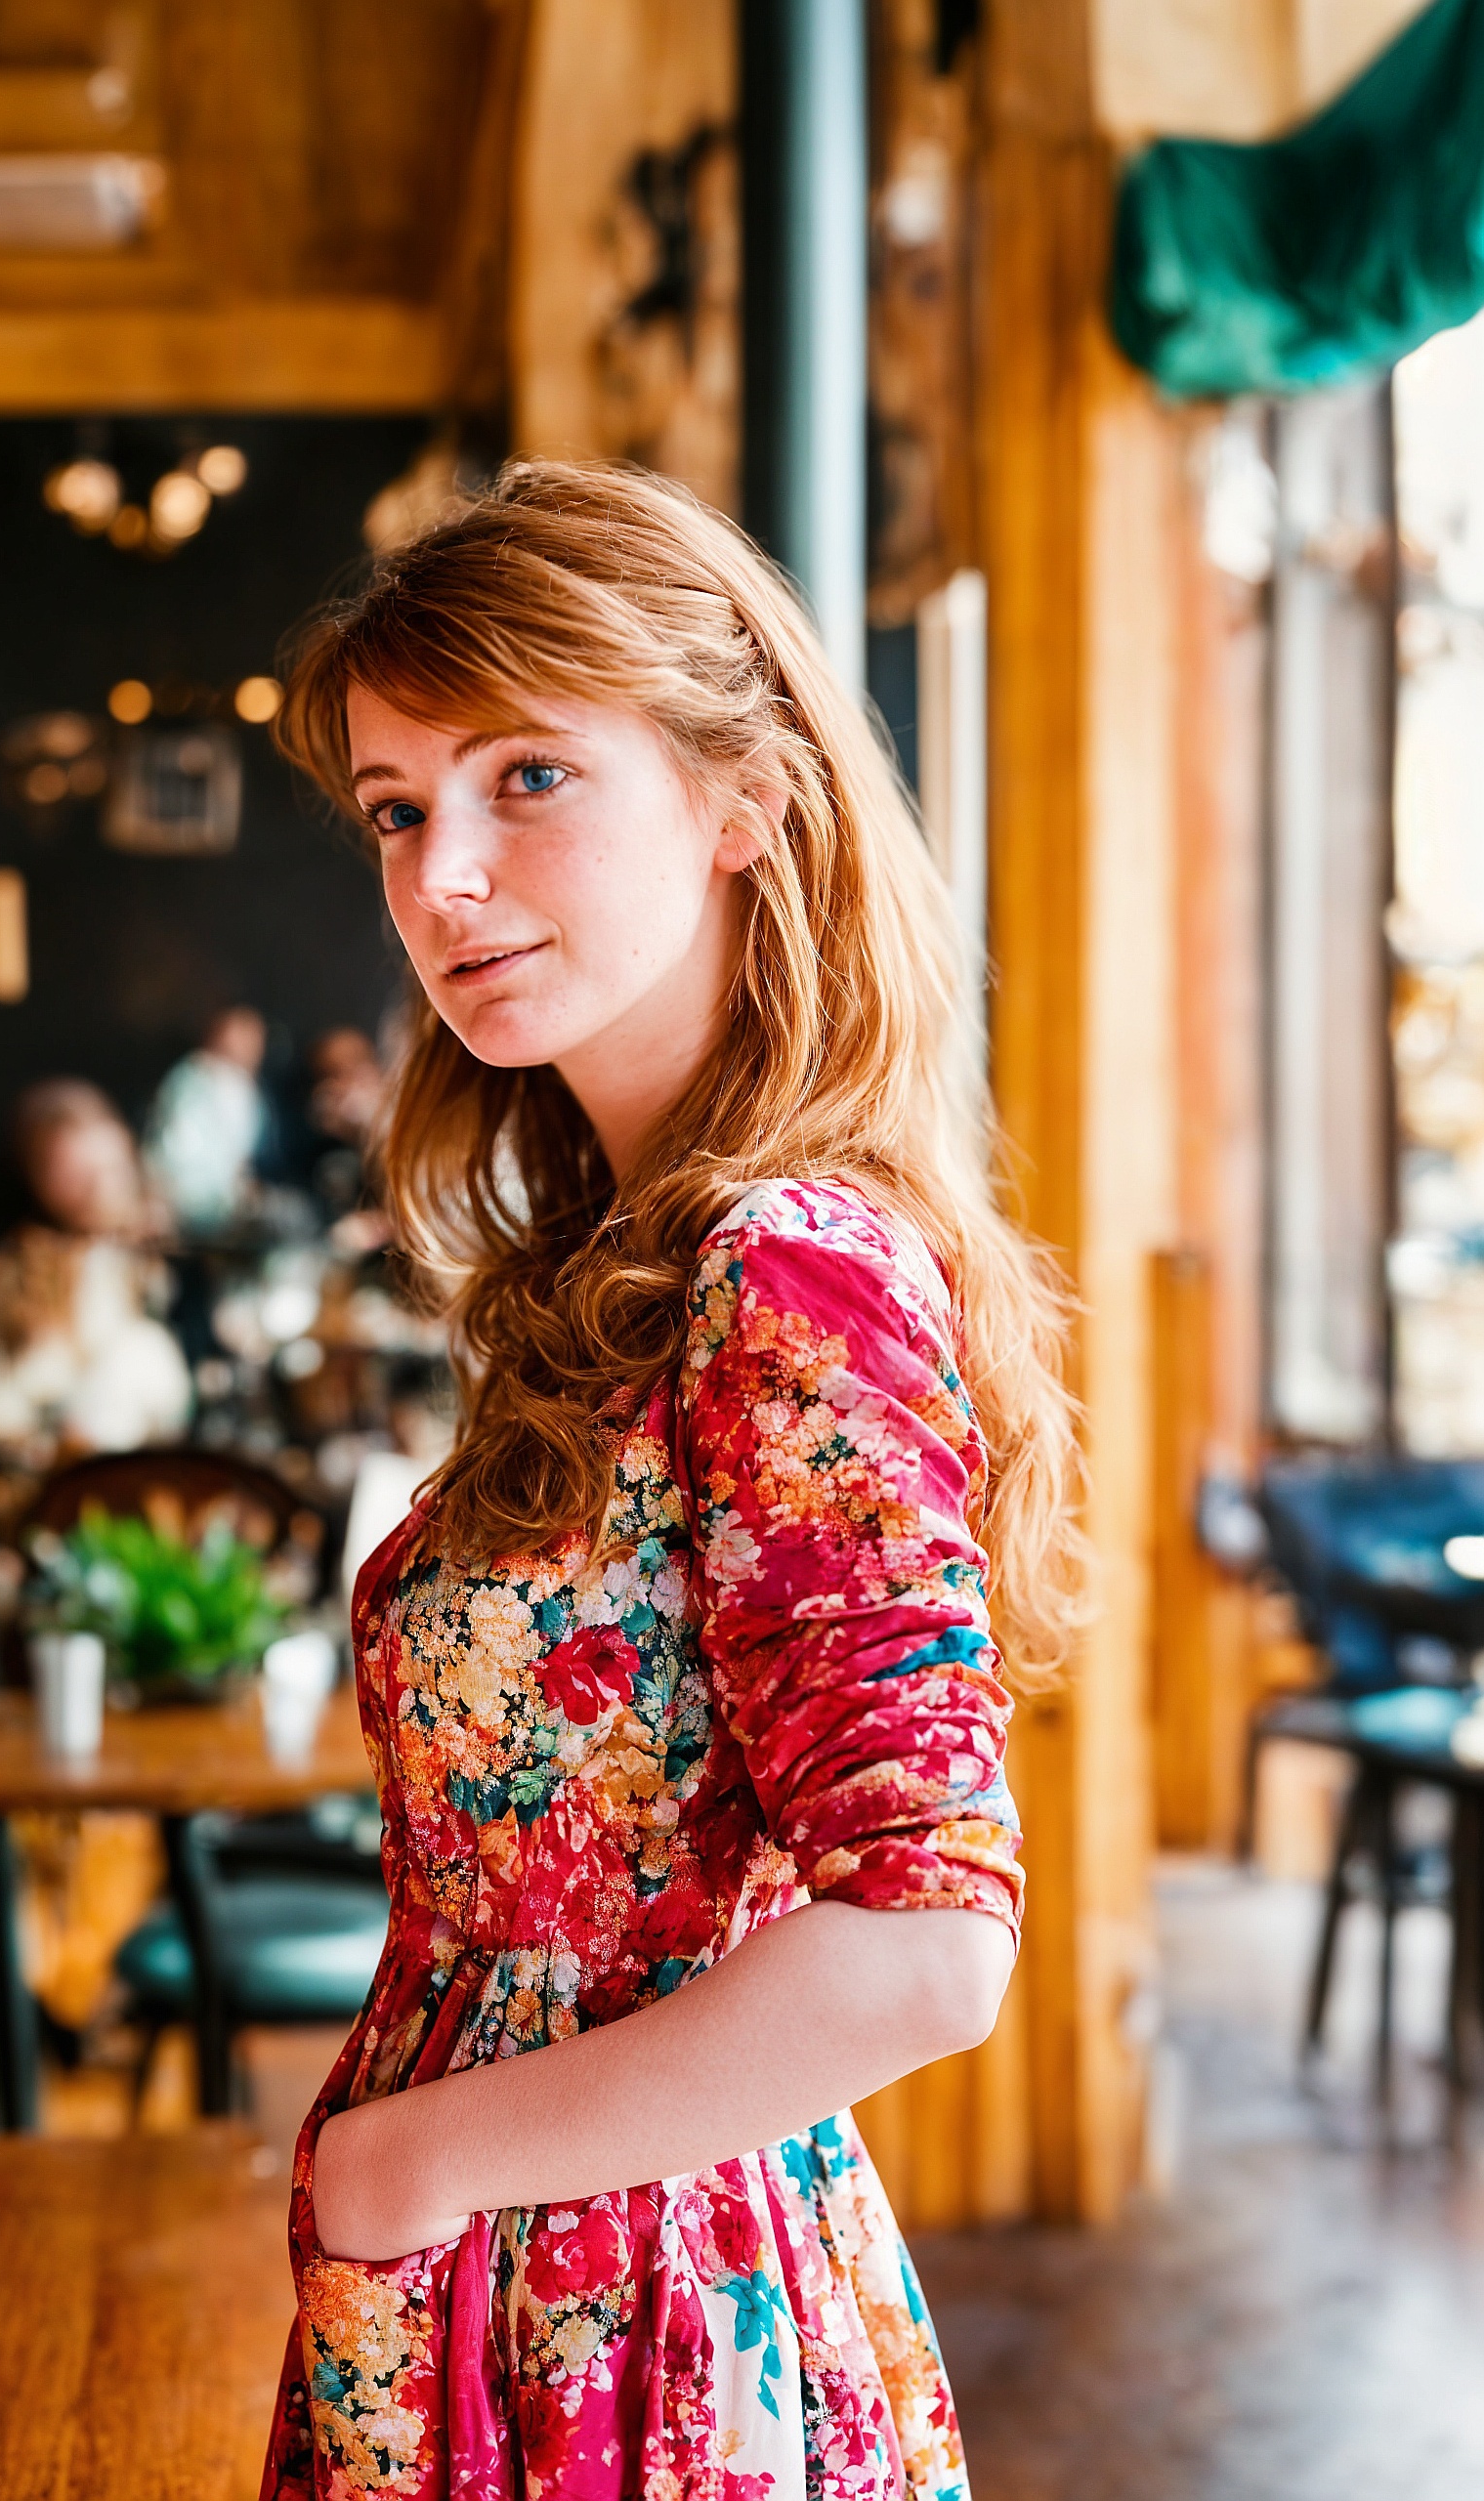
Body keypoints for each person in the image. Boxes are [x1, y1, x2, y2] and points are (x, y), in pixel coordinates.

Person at [262, 462, 1080, 2501]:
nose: (442, 870)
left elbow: (927, 1936)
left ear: (743, 797)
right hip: (527, 2300)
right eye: (394, 805)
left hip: (629, 2329)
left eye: (527, 775)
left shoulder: (781, 1262)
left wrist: (406, 2159)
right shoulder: (624, 1254)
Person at [0, 1080, 191, 1452]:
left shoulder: (164, 1255)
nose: (96, 1188)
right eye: (74, 1172)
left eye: (109, 1169)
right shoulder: (16, 1264)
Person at [143, 1004, 271, 1237]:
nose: (247, 1046)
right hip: (187, 1207)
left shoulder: (245, 1087)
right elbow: (177, 1151)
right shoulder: (191, 1080)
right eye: (238, 1035)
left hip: (225, 1211)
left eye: (253, 1038)